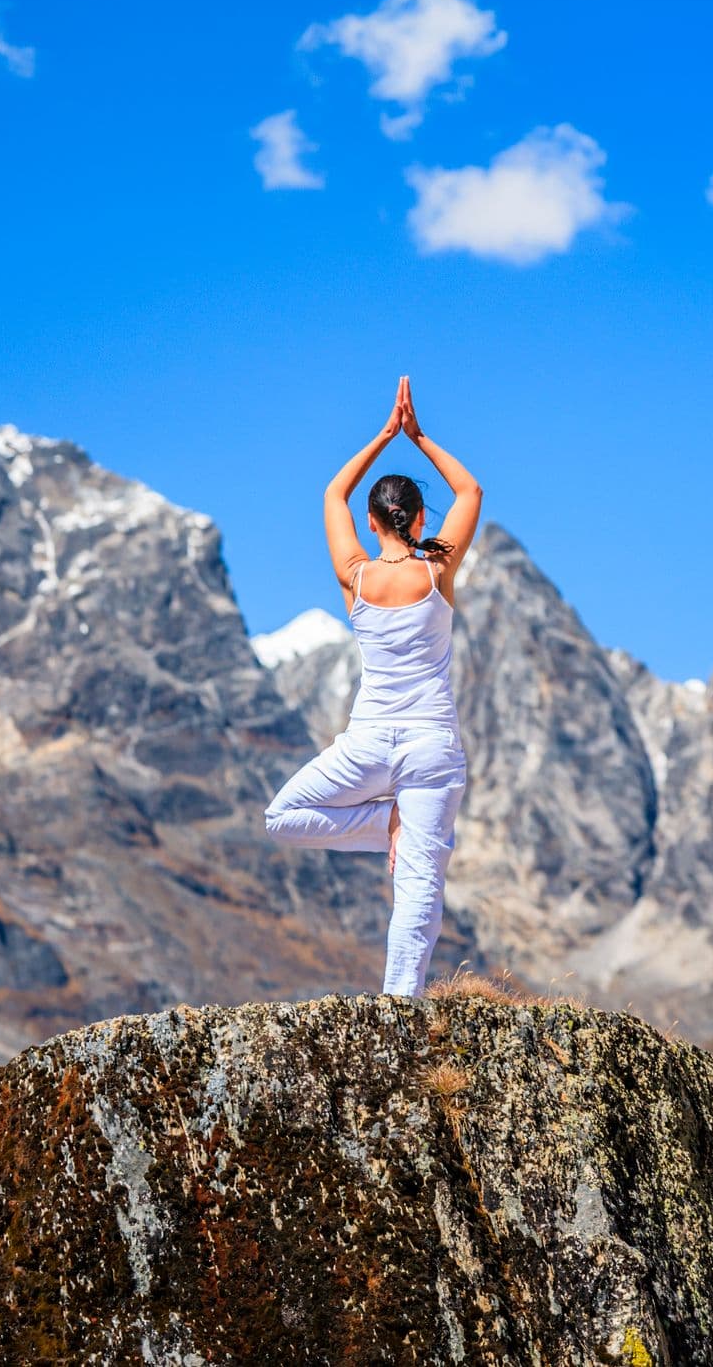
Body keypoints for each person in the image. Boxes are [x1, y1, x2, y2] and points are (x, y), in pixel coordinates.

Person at [263, 375, 483, 997]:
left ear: (371, 520)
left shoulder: (353, 576)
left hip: (368, 743)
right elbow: (470, 489)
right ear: (416, 518)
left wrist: (384, 435)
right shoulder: (438, 568)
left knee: (282, 817)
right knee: (418, 883)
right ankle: (398, 1010)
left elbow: (333, 491)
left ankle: (385, 817)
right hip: (431, 747)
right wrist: (418, 436)